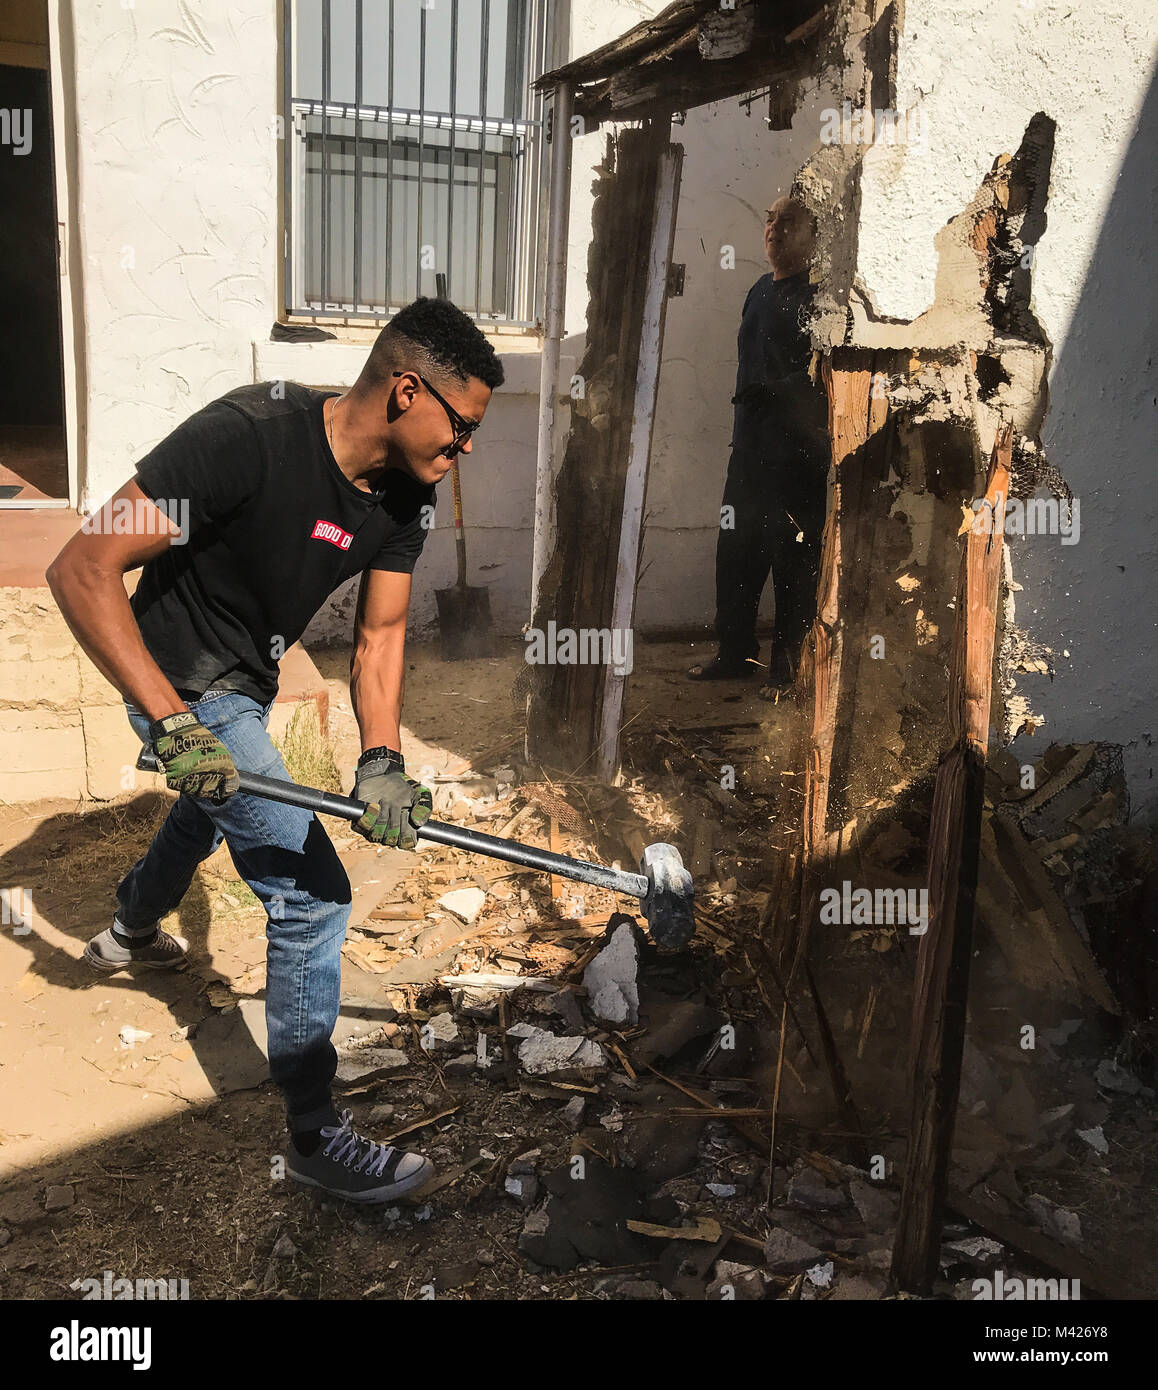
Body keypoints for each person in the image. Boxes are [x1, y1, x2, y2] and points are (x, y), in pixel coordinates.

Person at [46, 297, 503, 1203]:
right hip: (180, 680)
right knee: (311, 890)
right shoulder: (247, 436)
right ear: (407, 391)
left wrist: (382, 760)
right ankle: (314, 1138)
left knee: (211, 805)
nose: (467, 451)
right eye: (461, 429)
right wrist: (172, 724)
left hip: (247, 676)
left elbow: (378, 640)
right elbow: (81, 565)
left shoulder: (405, 497)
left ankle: (134, 924)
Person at [687, 194, 828, 696]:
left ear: (812, 233)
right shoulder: (757, 292)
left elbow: (825, 377)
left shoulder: (820, 297)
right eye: (769, 220)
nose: (773, 229)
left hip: (796, 459)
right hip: (747, 453)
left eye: (787, 221)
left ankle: (788, 672)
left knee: (792, 564)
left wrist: (775, 391)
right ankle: (734, 656)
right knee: (737, 557)